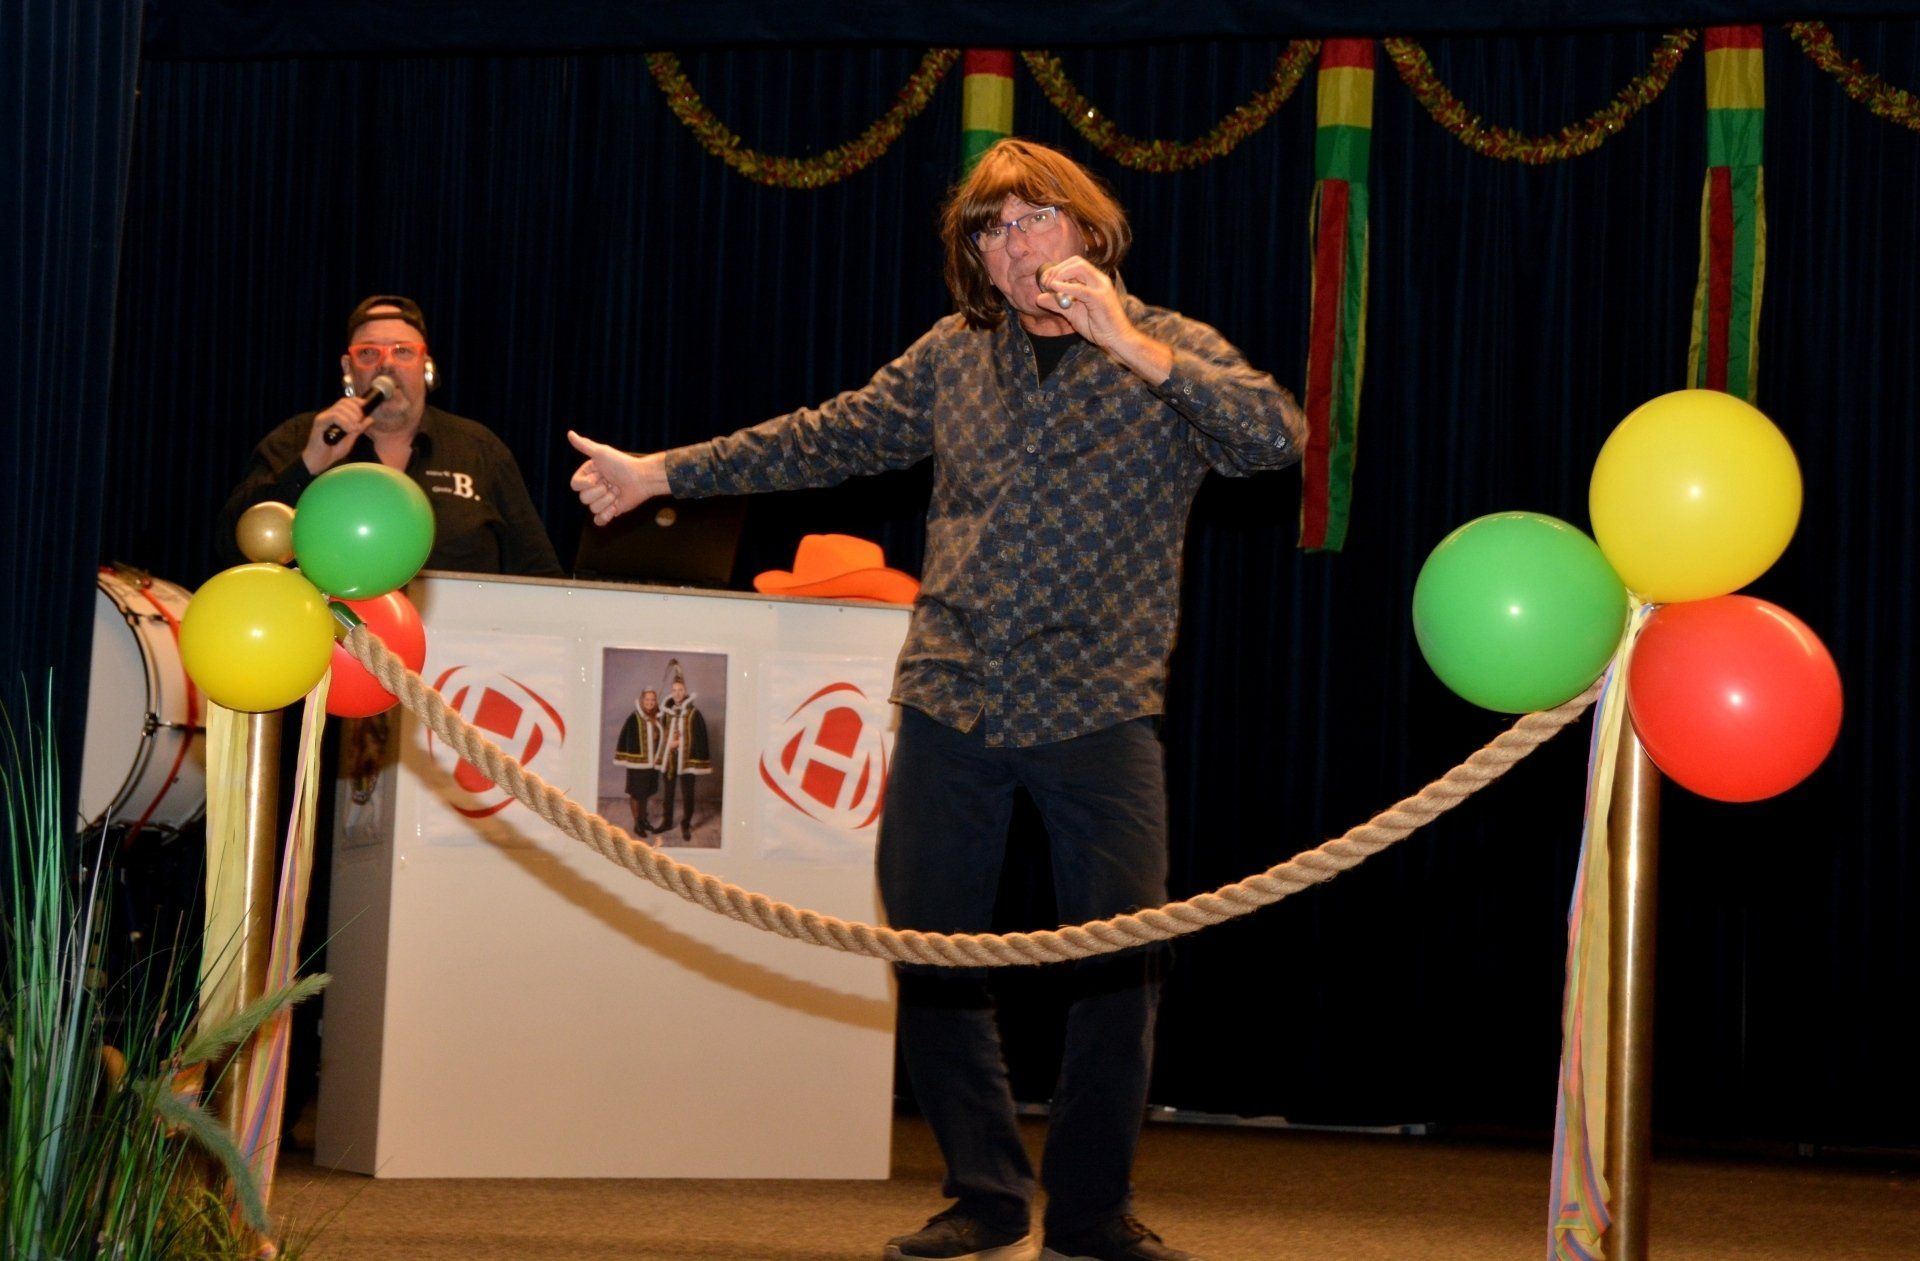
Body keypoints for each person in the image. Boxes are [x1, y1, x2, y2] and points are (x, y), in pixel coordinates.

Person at [568, 139, 1304, 1261]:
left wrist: (1131, 345)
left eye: (1037, 218)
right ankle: (987, 1194)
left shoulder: (1169, 345)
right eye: (991, 230)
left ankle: (1091, 1211)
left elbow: (1273, 440)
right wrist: (660, 471)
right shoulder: (953, 356)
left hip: (1100, 705)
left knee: (1123, 962)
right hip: (951, 697)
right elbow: (823, 436)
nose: (1018, 245)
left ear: (1087, 229)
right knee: (932, 952)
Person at [216, 294, 562, 577]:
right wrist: (308, 465)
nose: (386, 364)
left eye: (403, 351)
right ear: (348, 369)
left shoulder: (478, 449)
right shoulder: (301, 438)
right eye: (368, 353)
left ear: (427, 366)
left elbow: (539, 571)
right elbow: (234, 545)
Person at [657, 675, 712, 842]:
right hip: (670, 759)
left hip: (687, 760)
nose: (677, 693)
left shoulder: (694, 713)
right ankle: (667, 822)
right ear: (671, 692)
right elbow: (661, 733)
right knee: (668, 793)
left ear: (685, 691)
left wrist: (680, 742)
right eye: (674, 690)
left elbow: (699, 736)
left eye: (680, 690)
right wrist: (667, 743)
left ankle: (685, 824)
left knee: (688, 793)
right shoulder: (666, 713)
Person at [615, 688, 666, 838]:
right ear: (642, 701)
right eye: (647, 699)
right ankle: (637, 823)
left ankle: (643, 820)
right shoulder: (634, 718)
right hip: (637, 764)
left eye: (652, 700)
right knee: (636, 793)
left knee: (645, 793)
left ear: (655, 701)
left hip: (652, 764)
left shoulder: (656, 718)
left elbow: (660, 738)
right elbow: (627, 738)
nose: (650, 702)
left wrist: (657, 734)